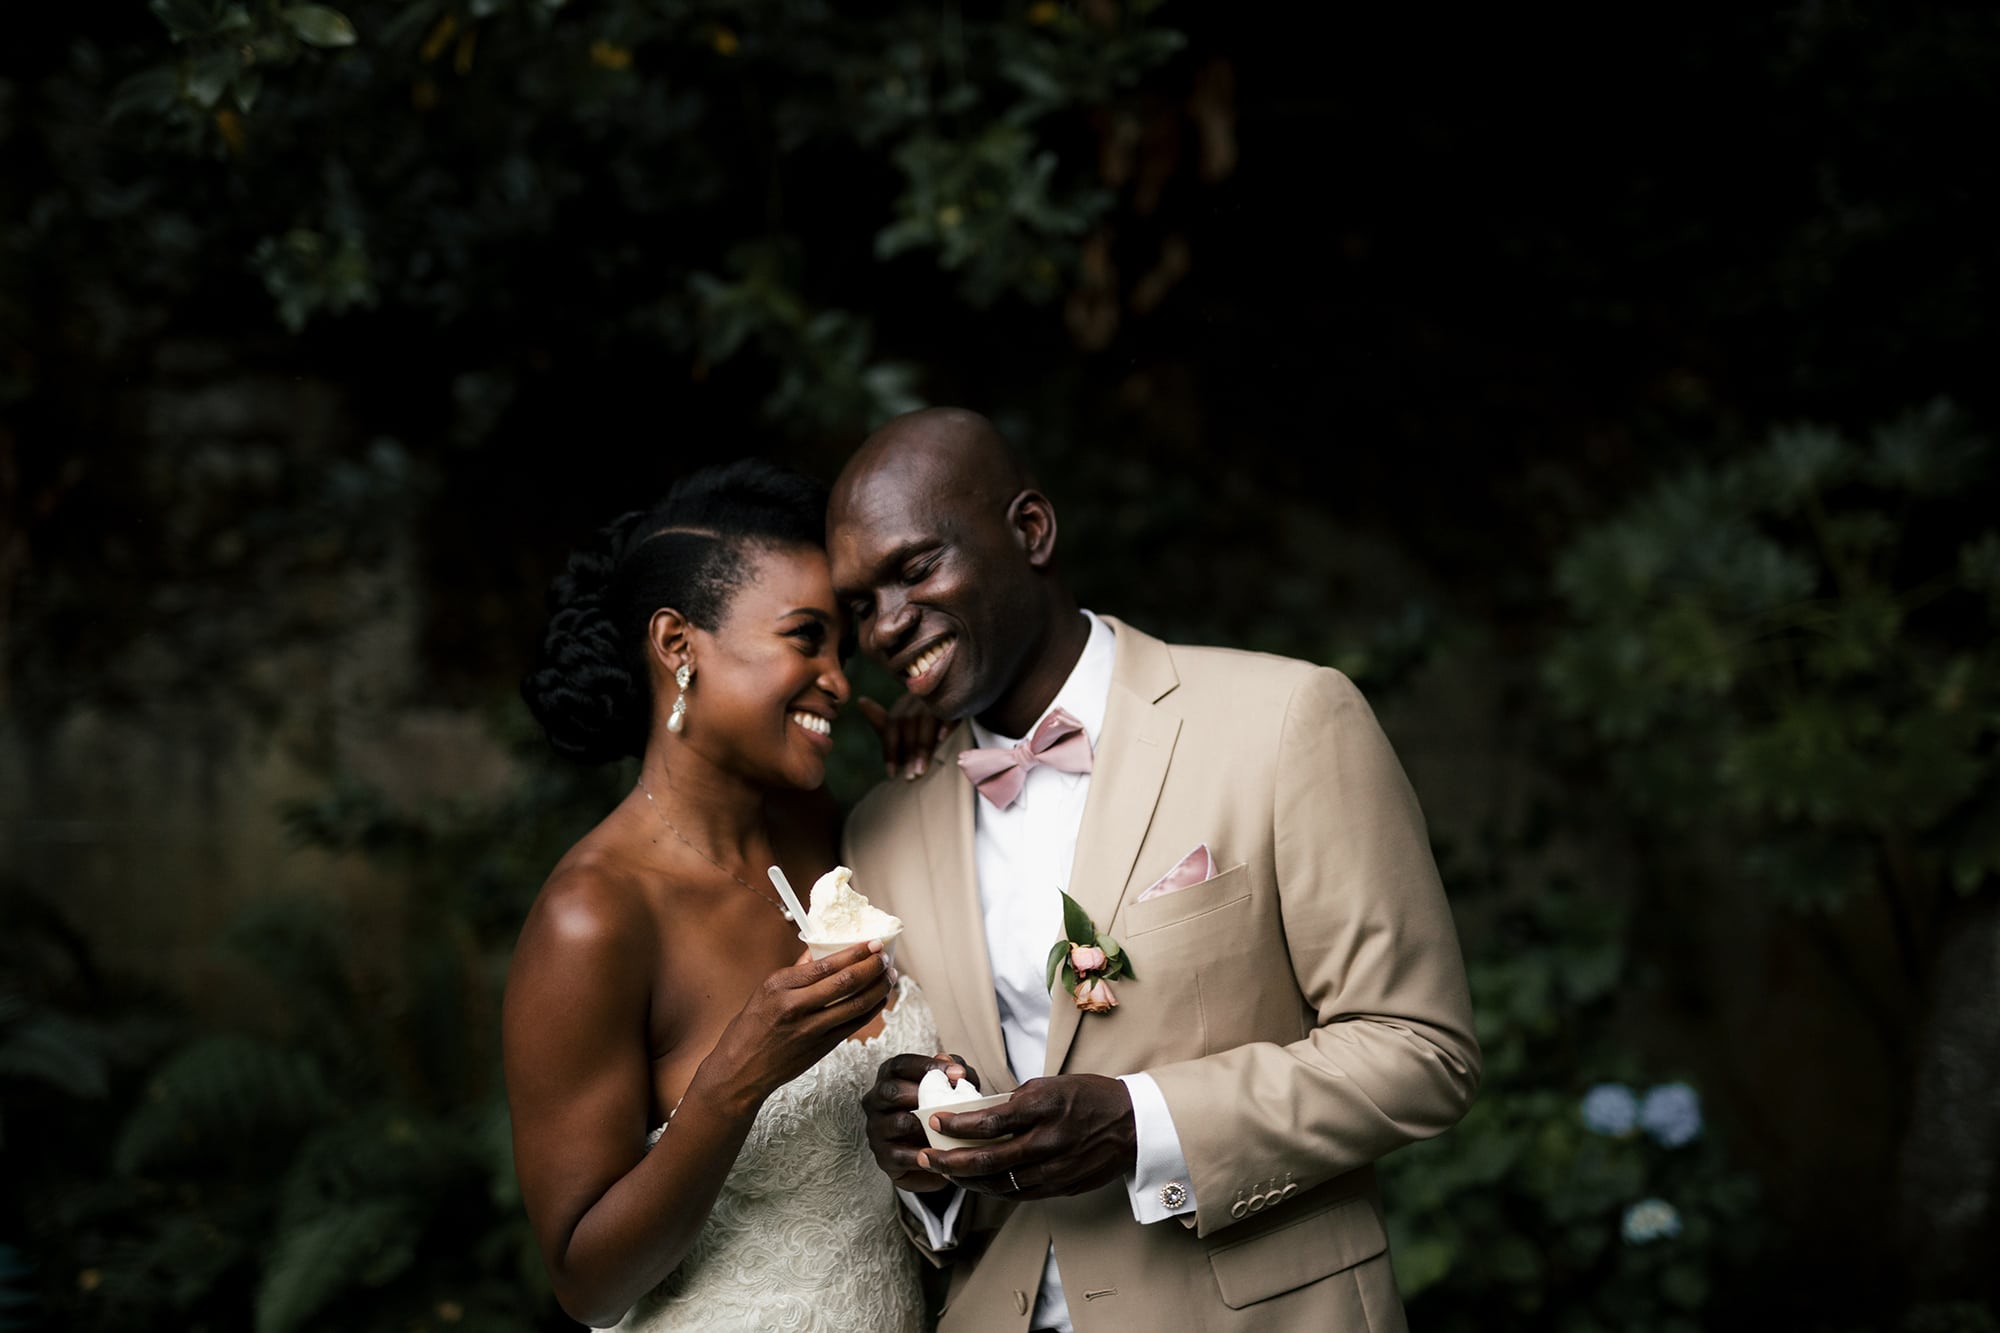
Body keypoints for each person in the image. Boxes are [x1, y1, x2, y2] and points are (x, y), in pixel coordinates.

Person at [831, 408, 1482, 1332]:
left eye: (915, 569)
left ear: (1031, 531)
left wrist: (1145, 1121)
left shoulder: (1287, 717)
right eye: (859, 604)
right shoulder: (880, 833)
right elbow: (940, 1175)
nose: (887, 625)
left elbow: (1422, 1051)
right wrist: (920, 1163)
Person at [504, 458, 932, 1332]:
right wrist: (734, 1082)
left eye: (841, 650)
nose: (842, 681)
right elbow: (587, 1283)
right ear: (677, 644)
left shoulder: (824, 835)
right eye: (805, 639)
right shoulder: (594, 915)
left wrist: (930, 780)